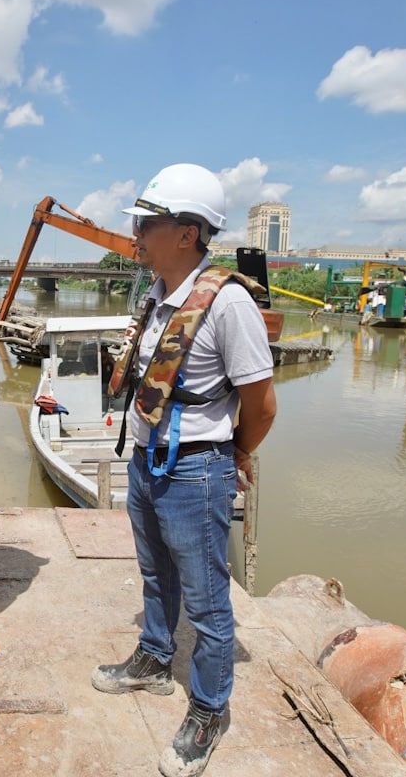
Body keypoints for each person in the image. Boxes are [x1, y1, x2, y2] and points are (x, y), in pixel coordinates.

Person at [94, 164, 278, 777]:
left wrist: (237, 452)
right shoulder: (157, 296)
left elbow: (262, 403)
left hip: (198, 470)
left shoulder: (228, 303)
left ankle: (208, 709)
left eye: (149, 222)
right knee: (155, 575)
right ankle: (153, 659)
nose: (138, 233)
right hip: (148, 461)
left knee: (206, 601)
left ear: (189, 232)